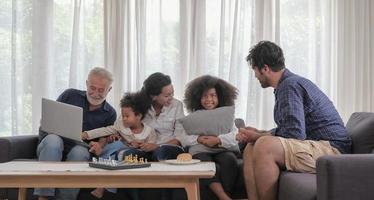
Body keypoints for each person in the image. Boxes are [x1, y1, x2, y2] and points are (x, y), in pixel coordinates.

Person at [236, 41, 352, 200]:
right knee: (251, 147)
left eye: (255, 70)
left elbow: (294, 134)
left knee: (263, 145)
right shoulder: (285, 85)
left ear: (265, 68)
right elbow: (289, 129)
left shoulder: (289, 86)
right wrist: (259, 133)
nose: (255, 75)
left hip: (332, 150)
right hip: (316, 144)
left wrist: (260, 136)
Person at [34, 67, 117, 200]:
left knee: (80, 152)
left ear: (109, 89)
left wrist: (99, 146)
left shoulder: (110, 113)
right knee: (53, 141)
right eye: (92, 88)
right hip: (51, 146)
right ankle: (43, 197)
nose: (96, 93)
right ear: (86, 84)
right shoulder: (69, 95)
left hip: (81, 149)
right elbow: (50, 119)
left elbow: (103, 140)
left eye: (101, 90)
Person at [81, 92, 156, 199]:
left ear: (138, 116)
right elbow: (105, 130)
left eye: (127, 116)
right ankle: (102, 186)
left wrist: (144, 145)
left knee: (119, 154)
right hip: (117, 153)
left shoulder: (149, 131)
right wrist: (86, 134)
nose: (124, 118)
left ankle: (104, 187)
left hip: (134, 157)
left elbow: (152, 146)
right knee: (116, 148)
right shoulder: (121, 125)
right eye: (123, 115)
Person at [178, 75, 240, 200]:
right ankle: (223, 197)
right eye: (204, 96)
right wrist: (199, 139)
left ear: (220, 97)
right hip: (200, 150)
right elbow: (183, 138)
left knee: (230, 160)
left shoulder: (226, 116)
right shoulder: (193, 117)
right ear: (197, 98)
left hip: (222, 149)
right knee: (203, 164)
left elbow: (235, 135)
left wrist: (218, 140)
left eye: (213, 95)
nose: (208, 99)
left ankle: (227, 194)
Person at [140, 72, 185, 161]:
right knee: (128, 154)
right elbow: (125, 126)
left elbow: (180, 137)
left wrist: (156, 146)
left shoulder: (177, 105)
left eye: (172, 93)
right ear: (153, 96)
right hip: (145, 147)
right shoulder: (139, 105)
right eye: (167, 96)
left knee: (159, 153)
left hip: (169, 147)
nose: (171, 98)